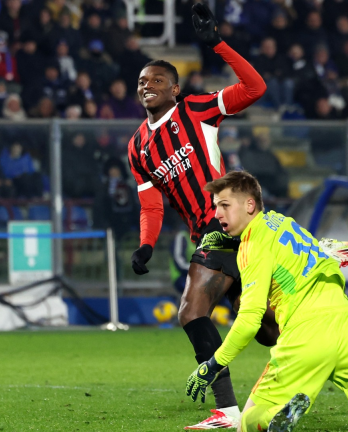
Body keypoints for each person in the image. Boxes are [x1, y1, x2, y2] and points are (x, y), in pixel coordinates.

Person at [186, 170, 348, 432]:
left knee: (248, 422)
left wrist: (214, 364)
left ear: (249, 205)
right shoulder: (285, 222)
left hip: (306, 333)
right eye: (215, 207)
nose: (217, 214)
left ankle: (275, 417)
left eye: (224, 205)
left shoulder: (252, 244)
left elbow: (250, 317)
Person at [127, 5, 271, 429]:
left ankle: (227, 410)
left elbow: (255, 87)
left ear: (174, 89)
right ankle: (333, 373)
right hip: (208, 233)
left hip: (226, 224)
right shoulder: (138, 147)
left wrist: (217, 43)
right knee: (266, 328)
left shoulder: (197, 110)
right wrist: (146, 244)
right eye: (142, 81)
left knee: (191, 312)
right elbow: (151, 205)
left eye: (157, 80)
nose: (147, 85)